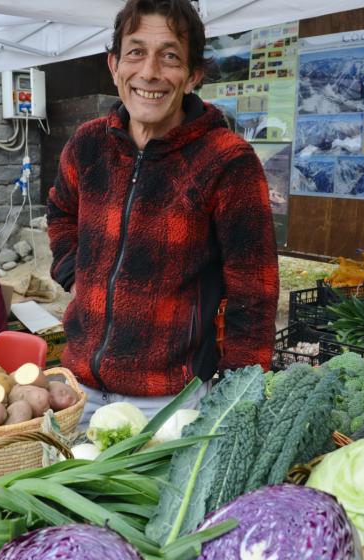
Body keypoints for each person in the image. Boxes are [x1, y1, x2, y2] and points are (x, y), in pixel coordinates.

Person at [48, 0, 279, 426]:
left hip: (169, 403)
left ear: (193, 75)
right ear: (114, 65)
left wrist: (235, 399)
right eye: (136, 52)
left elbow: (256, 293)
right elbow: (60, 210)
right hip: (76, 387)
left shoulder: (227, 161)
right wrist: (73, 271)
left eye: (169, 56)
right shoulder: (87, 145)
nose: (150, 72)